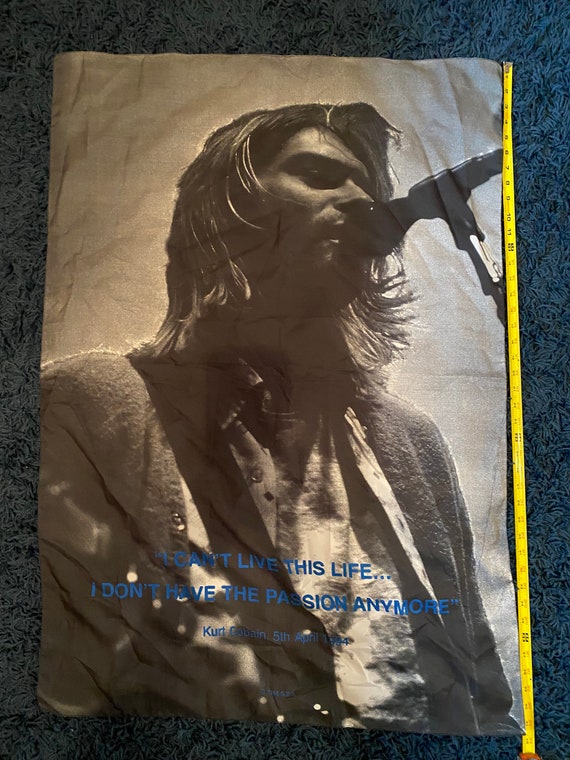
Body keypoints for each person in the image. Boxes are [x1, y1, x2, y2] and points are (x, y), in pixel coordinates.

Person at [38, 102, 518, 734]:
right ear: (223, 214)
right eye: (318, 175)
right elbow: (60, 674)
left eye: (368, 189)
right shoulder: (83, 405)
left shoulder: (412, 441)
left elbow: (486, 699)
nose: (361, 202)